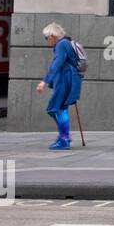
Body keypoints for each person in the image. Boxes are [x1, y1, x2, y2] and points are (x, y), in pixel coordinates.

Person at [35, 22, 81, 150]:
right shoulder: (67, 43)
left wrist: (44, 81)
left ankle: (64, 139)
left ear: (52, 36)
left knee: (55, 108)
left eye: (46, 38)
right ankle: (64, 135)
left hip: (65, 80)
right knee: (60, 108)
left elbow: (57, 64)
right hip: (69, 79)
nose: (46, 41)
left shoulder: (61, 45)